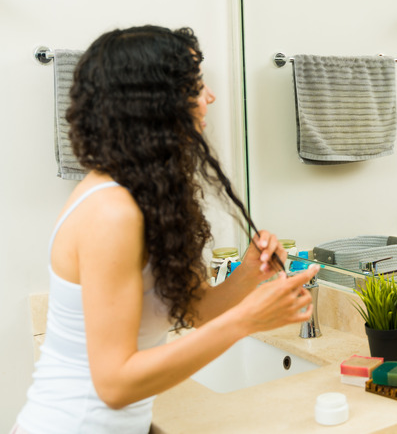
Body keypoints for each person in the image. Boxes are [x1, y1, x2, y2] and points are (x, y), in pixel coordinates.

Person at [13, 25, 319, 434]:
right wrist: (246, 320)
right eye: (195, 85)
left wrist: (249, 273)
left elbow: (197, 312)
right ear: (155, 103)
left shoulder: (148, 198)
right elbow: (115, 385)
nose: (209, 96)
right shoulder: (111, 211)